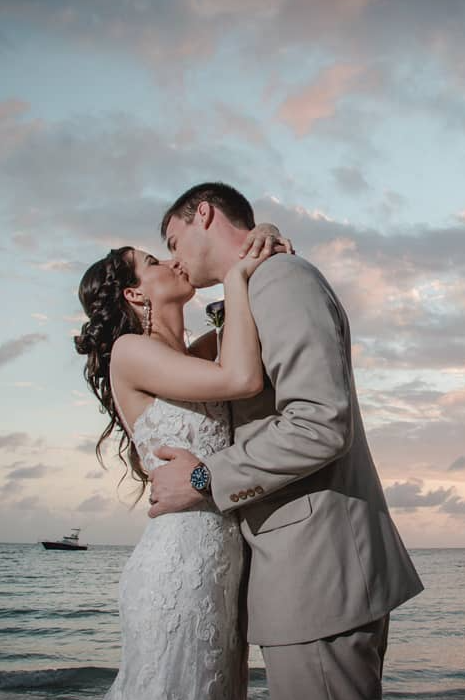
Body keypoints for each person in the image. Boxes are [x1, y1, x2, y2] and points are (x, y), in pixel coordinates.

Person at [149, 182, 424, 700]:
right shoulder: (254, 287)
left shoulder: (281, 280)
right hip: (293, 573)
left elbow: (320, 423)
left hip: (319, 573)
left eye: (172, 240)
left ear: (203, 214)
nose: (174, 259)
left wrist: (204, 479)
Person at [74, 224, 292, 699]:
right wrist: (234, 279)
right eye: (153, 263)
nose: (172, 263)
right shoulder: (130, 353)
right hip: (177, 566)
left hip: (225, 564)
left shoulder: (197, 355)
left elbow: (246, 327)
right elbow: (242, 379)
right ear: (134, 293)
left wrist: (264, 238)